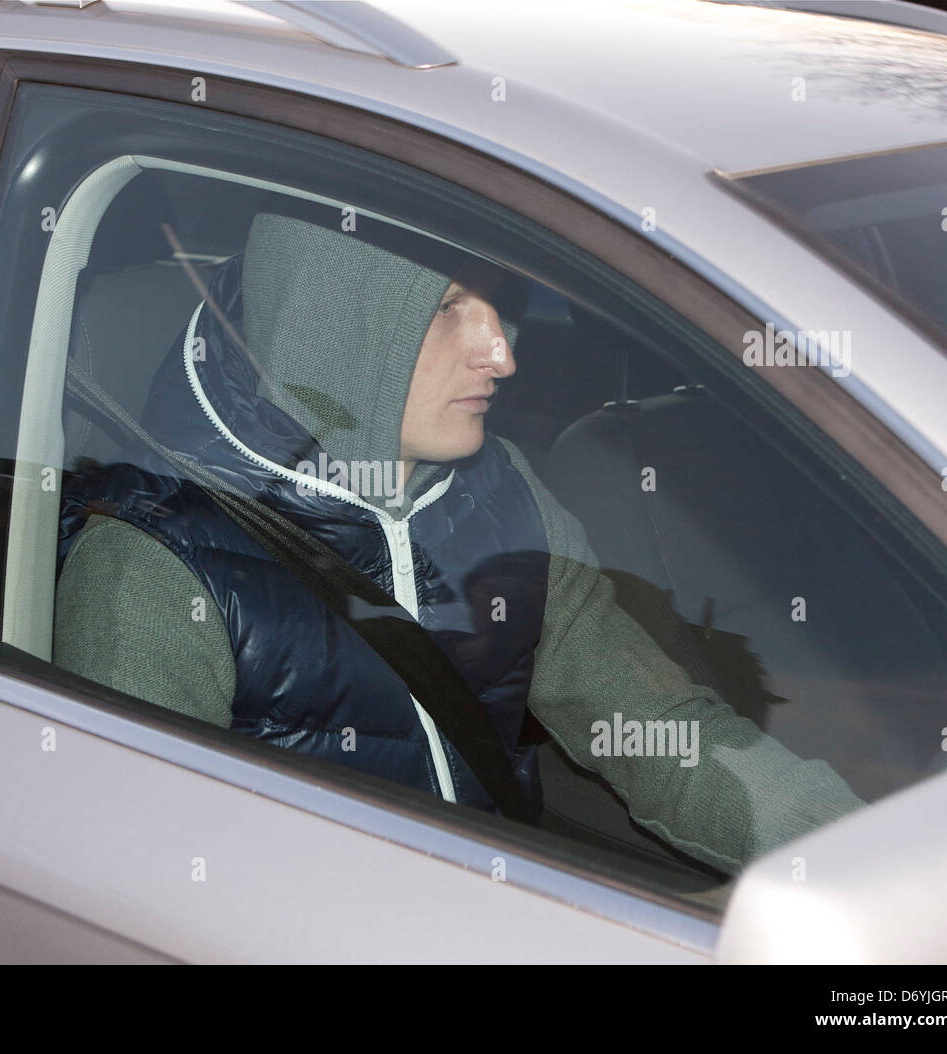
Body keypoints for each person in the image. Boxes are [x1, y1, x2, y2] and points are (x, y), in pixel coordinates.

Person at [55, 212, 864, 875]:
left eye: (496, 304)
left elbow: (667, 736)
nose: (503, 353)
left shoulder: (503, 491)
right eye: (448, 310)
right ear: (338, 337)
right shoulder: (158, 569)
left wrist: (859, 859)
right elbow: (146, 886)